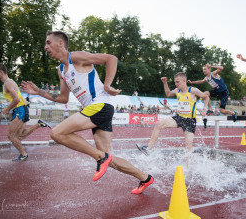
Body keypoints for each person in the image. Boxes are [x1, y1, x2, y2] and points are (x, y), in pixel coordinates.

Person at [21, 30, 153, 194]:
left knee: (57, 133)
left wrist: (107, 85)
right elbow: (63, 98)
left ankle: (100, 158)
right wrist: (39, 92)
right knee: (108, 157)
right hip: (97, 110)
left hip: (100, 105)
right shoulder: (61, 69)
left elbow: (111, 59)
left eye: (48, 42)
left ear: (60, 43)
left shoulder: (75, 57)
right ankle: (145, 177)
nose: (45, 46)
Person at [136, 73, 209, 155]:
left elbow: (206, 96)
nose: (176, 84)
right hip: (179, 117)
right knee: (158, 124)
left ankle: (187, 167)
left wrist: (204, 109)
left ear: (184, 81)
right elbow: (168, 94)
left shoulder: (193, 90)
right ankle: (148, 149)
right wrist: (165, 83)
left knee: (188, 147)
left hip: (190, 121)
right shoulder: (176, 91)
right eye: (175, 82)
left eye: (178, 82)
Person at [0, 63, 51, 161]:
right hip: (19, 109)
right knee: (19, 136)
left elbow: (16, 99)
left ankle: (24, 154)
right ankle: (38, 124)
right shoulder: (8, 83)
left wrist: (7, 109)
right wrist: (10, 113)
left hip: (20, 109)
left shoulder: (8, 84)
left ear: (0, 72)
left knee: (11, 135)